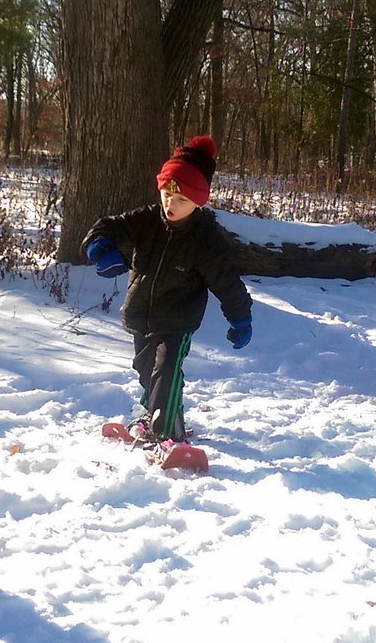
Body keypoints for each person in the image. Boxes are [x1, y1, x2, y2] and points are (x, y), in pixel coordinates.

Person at [81, 135, 252, 444]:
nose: (171, 204)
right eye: (167, 194)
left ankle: (165, 435)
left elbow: (227, 283)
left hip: (177, 322)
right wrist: (98, 247)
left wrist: (240, 319)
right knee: (147, 370)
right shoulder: (146, 220)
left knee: (167, 371)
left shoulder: (207, 241)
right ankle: (158, 416)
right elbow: (107, 226)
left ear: (198, 201)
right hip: (141, 315)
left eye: (182, 200)